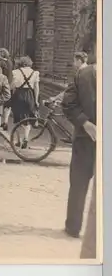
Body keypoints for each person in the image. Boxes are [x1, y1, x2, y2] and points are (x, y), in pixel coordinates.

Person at [62, 62, 97, 239]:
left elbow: (68, 103)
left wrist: (85, 123)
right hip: (87, 139)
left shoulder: (83, 75)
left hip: (85, 139)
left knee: (78, 184)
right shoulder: (83, 75)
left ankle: (73, 226)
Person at [10, 56, 40, 149]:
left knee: (17, 118)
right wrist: (36, 100)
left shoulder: (15, 72)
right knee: (28, 118)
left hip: (19, 95)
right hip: (30, 95)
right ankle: (26, 138)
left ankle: (18, 141)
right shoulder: (35, 73)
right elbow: (36, 88)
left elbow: (12, 86)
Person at [0, 48, 14, 130]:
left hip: (1, 85)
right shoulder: (10, 62)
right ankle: (6, 122)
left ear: (2, 54)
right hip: (9, 85)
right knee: (8, 105)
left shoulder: (0, 63)